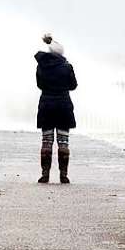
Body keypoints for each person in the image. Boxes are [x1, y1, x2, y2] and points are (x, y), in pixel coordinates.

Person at [34, 33, 78, 184]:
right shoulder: (67, 67)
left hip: (46, 104)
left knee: (46, 141)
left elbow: (39, 84)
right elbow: (73, 86)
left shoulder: (41, 66)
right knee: (63, 141)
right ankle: (63, 175)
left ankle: (45, 174)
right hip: (63, 105)